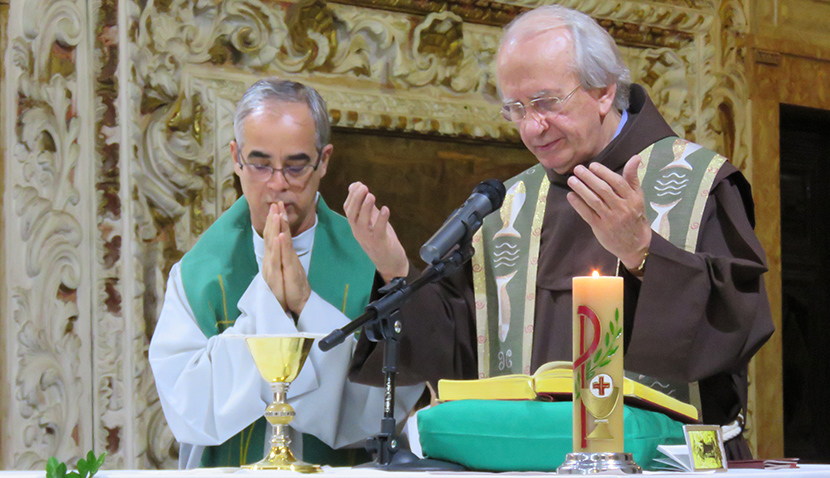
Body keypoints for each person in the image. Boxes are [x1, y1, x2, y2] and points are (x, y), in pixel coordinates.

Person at [344, 5, 773, 459]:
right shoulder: (508, 210)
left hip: (667, 464)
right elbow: (460, 349)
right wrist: (395, 269)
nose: (532, 127)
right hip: (531, 464)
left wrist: (644, 253)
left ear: (604, 91)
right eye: (516, 109)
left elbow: (737, 325)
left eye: (547, 102)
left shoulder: (696, 183)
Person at [148, 78, 424, 469]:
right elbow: (187, 408)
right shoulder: (198, 273)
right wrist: (268, 303)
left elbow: (384, 408)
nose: (278, 184)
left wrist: (307, 304)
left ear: (324, 160)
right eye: (260, 164)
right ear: (236, 158)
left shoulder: (368, 262)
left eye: (295, 166)